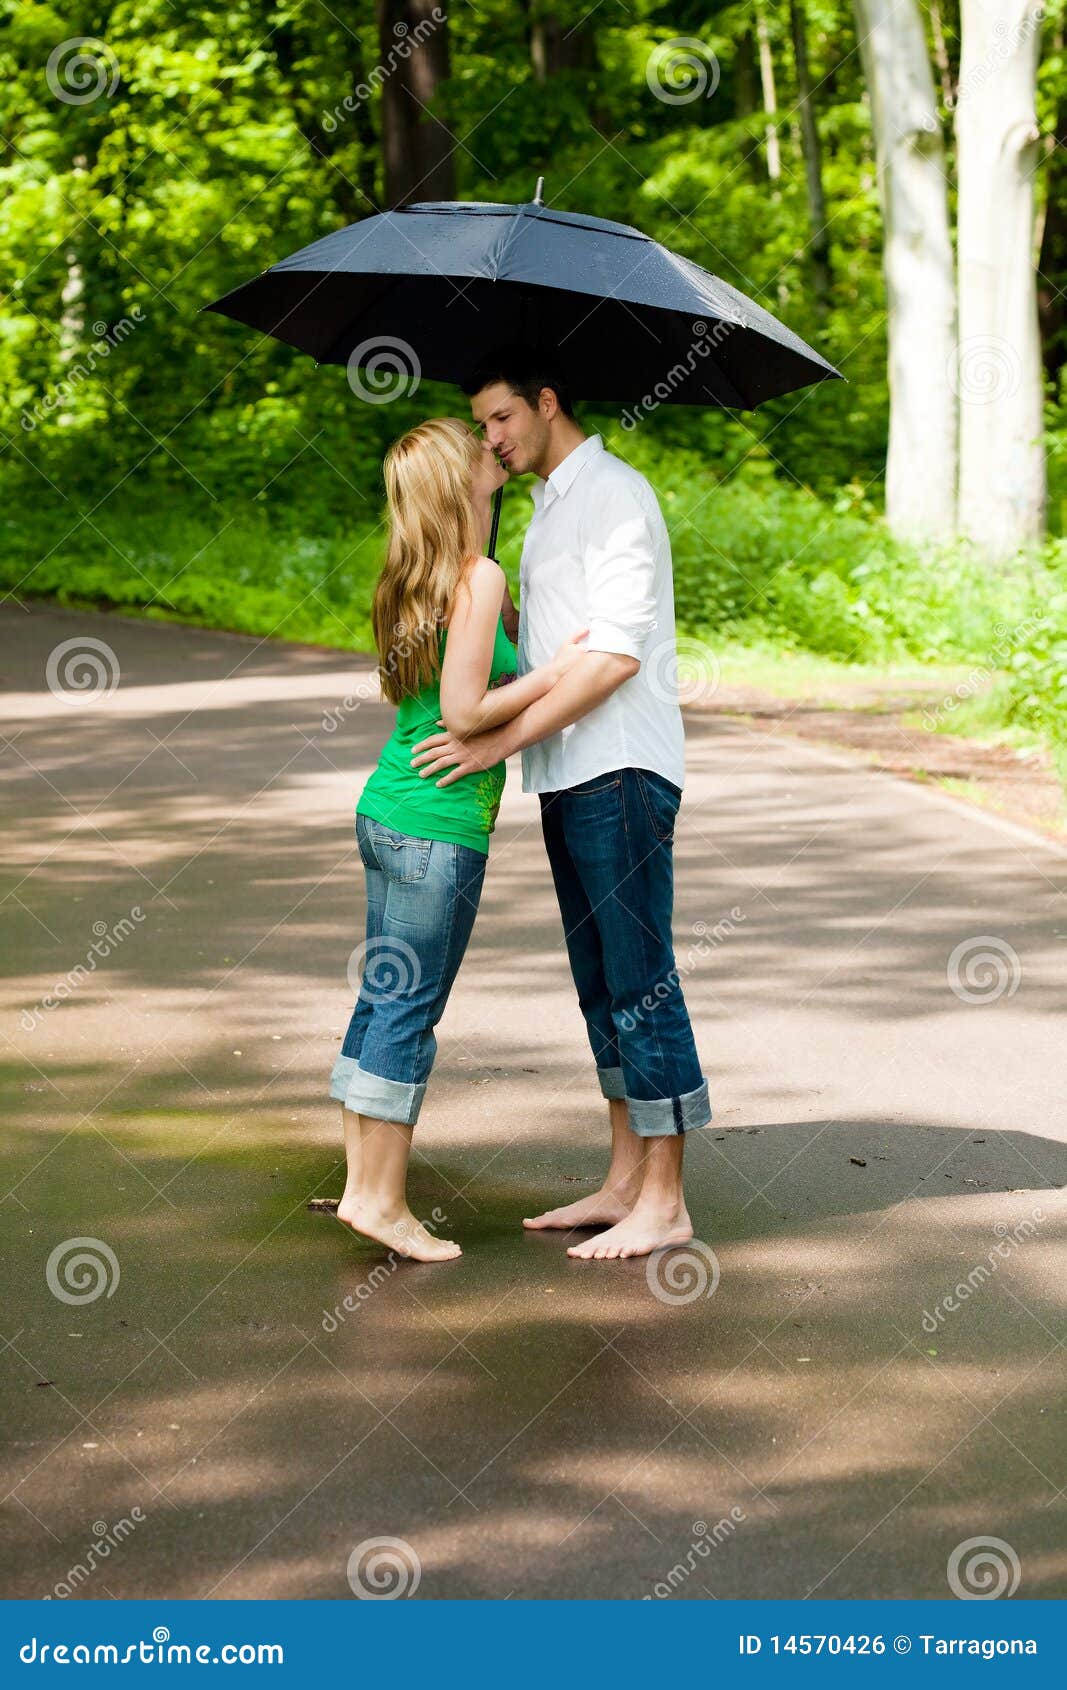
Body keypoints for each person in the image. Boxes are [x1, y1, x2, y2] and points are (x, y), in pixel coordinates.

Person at [410, 356, 712, 1261]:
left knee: (641, 981)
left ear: (547, 403)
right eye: (481, 424)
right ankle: (624, 1182)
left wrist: (493, 742)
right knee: (600, 985)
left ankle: (665, 1200)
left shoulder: (614, 495)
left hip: (620, 769)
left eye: (502, 417)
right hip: (568, 772)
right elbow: (529, 641)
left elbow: (613, 657)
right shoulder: (544, 508)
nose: (491, 438)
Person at [330, 417, 586, 1262]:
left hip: (389, 809)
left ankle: (361, 1187)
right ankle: (382, 1203)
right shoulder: (475, 576)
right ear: (456, 480)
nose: (492, 445)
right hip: (434, 826)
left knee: (383, 996)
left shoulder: (418, 575)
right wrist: (554, 673)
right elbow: (464, 713)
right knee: (409, 1008)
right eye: (477, 444)